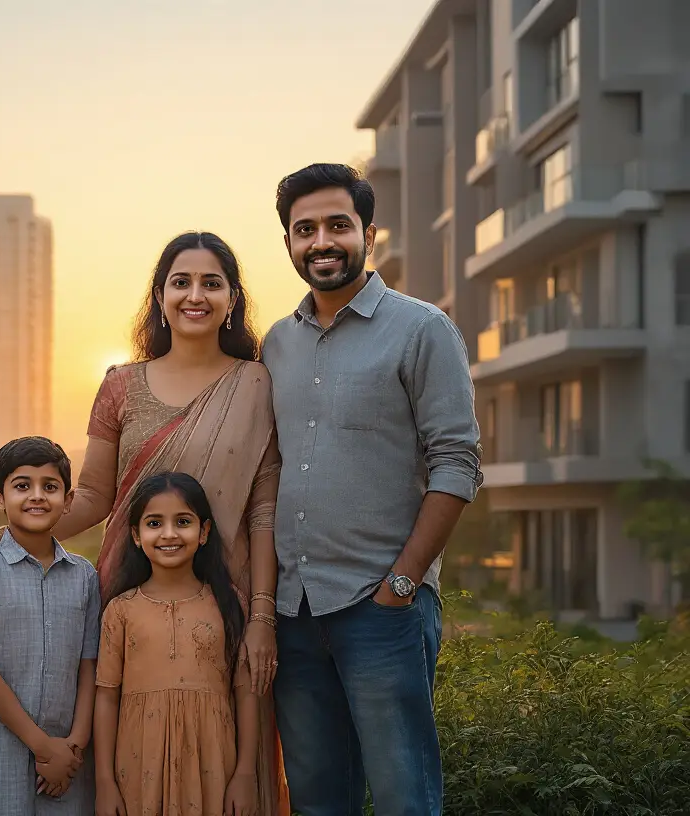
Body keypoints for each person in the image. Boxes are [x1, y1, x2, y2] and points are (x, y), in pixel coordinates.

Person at [0, 231, 290, 815]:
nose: (195, 295)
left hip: (225, 606)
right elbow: (90, 495)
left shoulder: (257, 384)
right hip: (127, 591)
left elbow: (264, 513)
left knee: (227, 753)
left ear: (232, 299)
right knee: (127, 751)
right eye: (180, 282)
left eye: (212, 283)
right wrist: (13, 535)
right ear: (159, 297)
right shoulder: (120, 385)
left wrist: (260, 617)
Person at [264, 163, 482, 816]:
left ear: (369, 233)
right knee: (318, 801)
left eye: (338, 225)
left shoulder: (422, 329)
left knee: (403, 799)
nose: (321, 242)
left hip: (380, 607)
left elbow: (458, 462)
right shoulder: (277, 343)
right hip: (293, 612)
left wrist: (403, 585)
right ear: (289, 244)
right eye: (305, 230)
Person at [0, 436, 102, 815]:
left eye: (50, 487)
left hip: (67, 766)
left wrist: (73, 747)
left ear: (68, 500)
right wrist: (42, 746)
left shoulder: (85, 576)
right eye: (22, 486)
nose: (37, 496)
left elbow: (89, 667)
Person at [94, 472, 260, 816]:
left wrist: (245, 773)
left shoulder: (230, 604)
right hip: (139, 765)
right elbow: (107, 697)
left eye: (182, 521)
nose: (169, 534)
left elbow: (245, 694)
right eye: (155, 523)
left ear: (204, 532)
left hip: (212, 762)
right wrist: (105, 783)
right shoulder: (120, 610)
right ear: (136, 536)